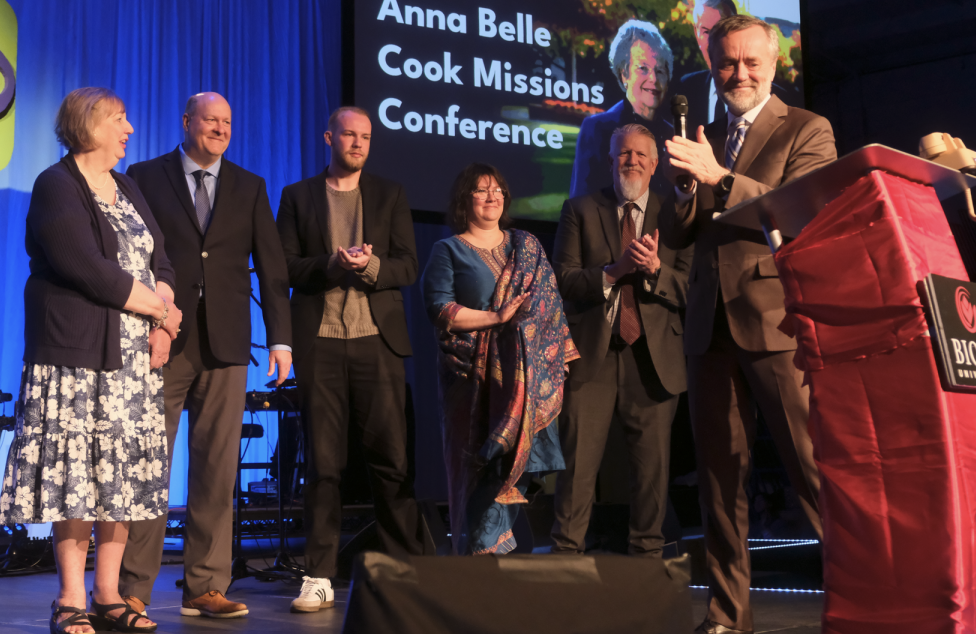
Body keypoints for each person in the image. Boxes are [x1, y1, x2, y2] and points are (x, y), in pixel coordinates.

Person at [664, 15, 836, 634]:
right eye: (726, 63)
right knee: (718, 481)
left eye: (750, 62)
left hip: (778, 320)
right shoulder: (705, 133)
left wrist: (718, 177)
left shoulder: (807, 128)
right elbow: (681, 234)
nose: (738, 73)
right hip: (708, 323)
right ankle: (727, 616)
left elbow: (801, 209)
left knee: (813, 468)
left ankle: (864, 602)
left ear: (775, 64)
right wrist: (686, 188)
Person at [0, 87, 182, 634]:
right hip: (76, 358)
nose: (129, 128)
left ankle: (108, 593)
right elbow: (86, 267)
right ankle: (70, 598)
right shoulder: (56, 185)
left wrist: (164, 317)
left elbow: (161, 259)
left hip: (132, 364)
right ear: (90, 124)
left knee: (119, 476)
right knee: (76, 474)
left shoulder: (127, 186)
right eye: (120, 119)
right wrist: (163, 314)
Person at [118, 92, 293, 619]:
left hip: (228, 344)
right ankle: (132, 588)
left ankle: (206, 585)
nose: (219, 128)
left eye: (227, 122)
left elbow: (273, 268)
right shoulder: (145, 176)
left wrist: (281, 339)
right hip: (161, 341)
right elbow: (132, 254)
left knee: (217, 470)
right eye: (210, 119)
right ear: (187, 121)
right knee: (149, 465)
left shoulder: (249, 185)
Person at [277, 106, 424, 613]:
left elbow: (407, 265)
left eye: (365, 136)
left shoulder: (390, 194)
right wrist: (332, 264)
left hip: (376, 340)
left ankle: (404, 569)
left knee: (392, 461)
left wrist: (371, 266)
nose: (358, 143)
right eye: (348, 134)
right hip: (320, 340)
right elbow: (285, 267)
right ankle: (318, 574)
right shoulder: (297, 196)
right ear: (329, 137)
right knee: (324, 464)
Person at [551, 124, 692, 558]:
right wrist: (612, 271)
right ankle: (565, 557)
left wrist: (654, 271)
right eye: (622, 154)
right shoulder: (580, 209)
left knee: (652, 471)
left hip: (652, 360)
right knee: (577, 468)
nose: (630, 161)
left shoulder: (676, 215)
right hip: (592, 357)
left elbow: (691, 285)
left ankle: (648, 559)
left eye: (639, 155)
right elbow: (564, 280)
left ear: (655, 165)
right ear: (611, 161)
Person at [422, 164, 579, 554]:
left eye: (498, 190)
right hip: (470, 380)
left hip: (523, 383)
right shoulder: (448, 250)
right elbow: (439, 309)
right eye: (481, 190)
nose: (492, 197)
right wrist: (496, 318)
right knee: (477, 468)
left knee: (510, 468)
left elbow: (550, 308)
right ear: (465, 199)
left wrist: (552, 356)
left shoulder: (525, 246)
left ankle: (497, 555)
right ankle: (475, 560)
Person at [571, 19, 676, 198]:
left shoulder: (673, 136)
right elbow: (580, 205)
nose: (653, 79)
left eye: (660, 71)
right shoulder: (597, 129)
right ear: (624, 74)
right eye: (643, 68)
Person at [677, 0, 794, 132]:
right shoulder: (685, 87)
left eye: (721, 31)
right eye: (706, 32)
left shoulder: (785, 100)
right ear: (696, 34)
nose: (712, 43)